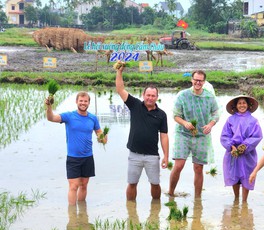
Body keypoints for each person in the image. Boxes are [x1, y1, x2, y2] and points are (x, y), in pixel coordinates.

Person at [115, 66, 169, 200]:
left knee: (155, 184)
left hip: (152, 155)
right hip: (135, 154)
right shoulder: (135, 105)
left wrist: (166, 156)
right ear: (143, 95)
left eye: (153, 95)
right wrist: (119, 71)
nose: (150, 98)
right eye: (148, 95)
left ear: (157, 97)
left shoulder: (161, 115)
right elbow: (120, 89)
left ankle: (155, 210)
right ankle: (131, 211)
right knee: (132, 183)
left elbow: (164, 136)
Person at [45, 91, 106, 205]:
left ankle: (82, 213)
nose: (83, 103)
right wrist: (49, 106)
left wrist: (104, 138)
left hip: (88, 157)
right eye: (81, 101)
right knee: (73, 186)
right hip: (73, 158)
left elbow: (100, 136)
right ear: (76, 102)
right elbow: (51, 118)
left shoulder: (93, 118)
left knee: (83, 185)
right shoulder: (69, 116)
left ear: (88, 103)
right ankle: (73, 216)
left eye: (85, 101)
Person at [168, 70, 220, 198]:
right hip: (183, 134)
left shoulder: (209, 97)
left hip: (201, 135)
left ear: (204, 82)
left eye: (200, 80)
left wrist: (210, 124)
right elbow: (176, 115)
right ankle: (170, 192)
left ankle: (198, 199)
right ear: (191, 80)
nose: (198, 82)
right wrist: (185, 123)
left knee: (198, 168)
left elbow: (216, 114)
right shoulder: (182, 95)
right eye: (196, 80)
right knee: (179, 165)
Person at [220, 95, 263, 202]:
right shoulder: (230, 120)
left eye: (244, 103)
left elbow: (257, 136)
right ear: (235, 106)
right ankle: (236, 198)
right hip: (233, 153)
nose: (242, 105)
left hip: (247, 154)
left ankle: (244, 201)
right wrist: (231, 146)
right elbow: (224, 136)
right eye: (239, 103)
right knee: (234, 175)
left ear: (248, 105)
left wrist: (245, 146)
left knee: (247, 176)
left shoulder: (253, 121)